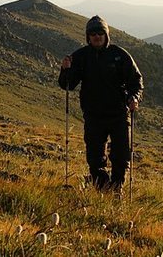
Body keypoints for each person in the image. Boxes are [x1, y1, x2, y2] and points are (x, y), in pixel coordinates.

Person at [58, 15, 143, 193]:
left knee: (121, 156)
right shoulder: (81, 57)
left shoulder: (119, 55)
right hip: (93, 115)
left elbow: (136, 81)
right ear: (88, 37)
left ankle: (117, 188)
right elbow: (68, 84)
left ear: (106, 35)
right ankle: (103, 188)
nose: (97, 36)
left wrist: (134, 97)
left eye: (100, 33)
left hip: (119, 114)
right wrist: (65, 69)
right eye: (93, 33)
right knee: (95, 158)